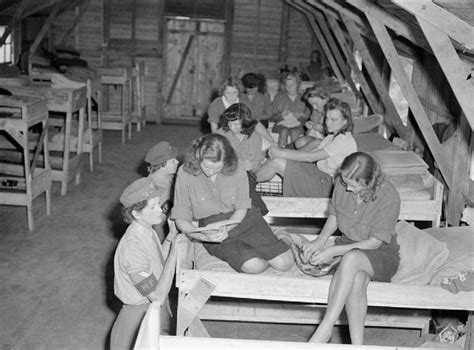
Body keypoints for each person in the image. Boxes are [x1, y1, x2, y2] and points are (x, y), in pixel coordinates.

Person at [301, 152, 401, 344]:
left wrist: (331, 251)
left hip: (380, 254)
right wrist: (321, 241)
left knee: (352, 258)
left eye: (353, 185)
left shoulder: (389, 196)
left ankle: (325, 328)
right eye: (345, 182)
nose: (346, 188)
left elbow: (374, 243)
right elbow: (335, 216)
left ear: (369, 182)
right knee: (357, 280)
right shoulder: (342, 184)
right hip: (348, 245)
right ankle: (357, 346)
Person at [171, 133, 293, 274]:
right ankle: (260, 247)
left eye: (217, 169)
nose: (211, 172)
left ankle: (282, 237)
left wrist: (225, 227)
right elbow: (181, 218)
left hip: (244, 219)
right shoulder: (185, 173)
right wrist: (203, 236)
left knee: (285, 263)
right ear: (198, 155)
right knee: (256, 266)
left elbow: (241, 209)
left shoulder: (237, 167)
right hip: (212, 226)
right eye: (207, 166)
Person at [110, 177, 178, 350]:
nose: (159, 211)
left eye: (158, 204)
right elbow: (158, 297)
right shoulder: (132, 248)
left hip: (151, 311)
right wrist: (175, 254)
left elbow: (156, 262)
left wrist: (170, 238)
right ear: (136, 213)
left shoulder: (145, 229)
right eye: (153, 207)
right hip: (137, 318)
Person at [257, 98, 357, 198]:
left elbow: (310, 157)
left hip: (326, 185)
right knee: (277, 160)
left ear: (345, 121)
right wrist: (282, 151)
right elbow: (309, 152)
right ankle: (249, 180)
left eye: (333, 119)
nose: (328, 123)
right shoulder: (332, 136)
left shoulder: (343, 140)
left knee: (276, 162)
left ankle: (247, 182)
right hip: (319, 174)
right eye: (327, 118)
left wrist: (280, 153)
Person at [217, 103, 270, 215]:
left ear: (245, 123)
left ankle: (250, 211)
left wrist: (252, 165)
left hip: (248, 176)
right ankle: (258, 210)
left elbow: (256, 167)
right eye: (230, 123)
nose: (232, 127)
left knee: (245, 177)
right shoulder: (221, 133)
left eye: (236, 124)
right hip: (224, 173)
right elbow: (216, 158)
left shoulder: (255, 137)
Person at [145, 141, 179, 242]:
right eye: (173, 161)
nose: (177, 162)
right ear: (162, 164)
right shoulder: (152, 188)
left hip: (170, 216)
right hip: (158, 229)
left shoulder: (171, 176)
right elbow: (157, 227)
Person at [271, 73, 309, 148]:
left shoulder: (304, 98)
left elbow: (308, 116)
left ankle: (292, 154)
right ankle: (280, 152)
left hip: (298, 124)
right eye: (287, 85)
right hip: (281, 124)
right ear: (283, 86)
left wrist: (300, 115)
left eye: (292, 85)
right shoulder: (279, 97)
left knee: (294, 132)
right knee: (284, 131)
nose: (289, 88)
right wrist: (281, 114)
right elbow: (272, 116)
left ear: (297, 84)